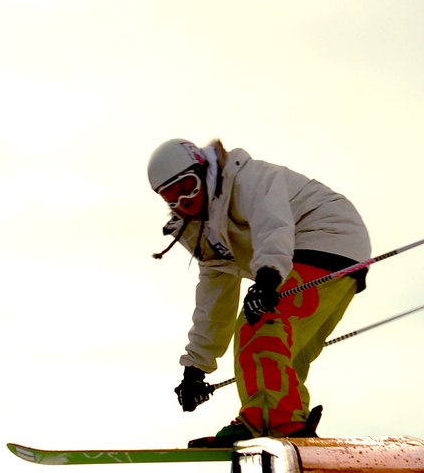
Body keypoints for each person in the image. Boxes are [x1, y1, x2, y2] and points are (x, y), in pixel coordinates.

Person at [147, 138, 371, 446]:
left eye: (187, 187)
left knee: (261, 323)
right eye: (171, 197)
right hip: (307, 256)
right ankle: (284, 432)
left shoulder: (246, 180)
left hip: (325, 236)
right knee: (283, 350)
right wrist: (196, 367)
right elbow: (213, 302)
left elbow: (273, 225)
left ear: (203, 173)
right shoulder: (202, 232)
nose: (183, 200)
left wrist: (267, 280)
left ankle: (271, 423)